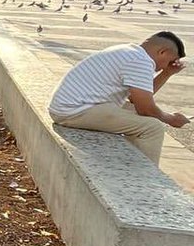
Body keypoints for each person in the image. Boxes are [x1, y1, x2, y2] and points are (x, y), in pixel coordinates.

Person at [48, 32, 188, 165]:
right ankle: (145, 179)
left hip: (70, 107)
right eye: (170, 61)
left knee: (139, 113)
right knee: (153, 127)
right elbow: (146, 109)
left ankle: (132, 163)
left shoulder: (129, 51)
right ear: (162, 52)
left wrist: (167, 73)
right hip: (74, 111)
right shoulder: (141, 61)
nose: (165, 66)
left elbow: (136, 100)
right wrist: (171, 119)